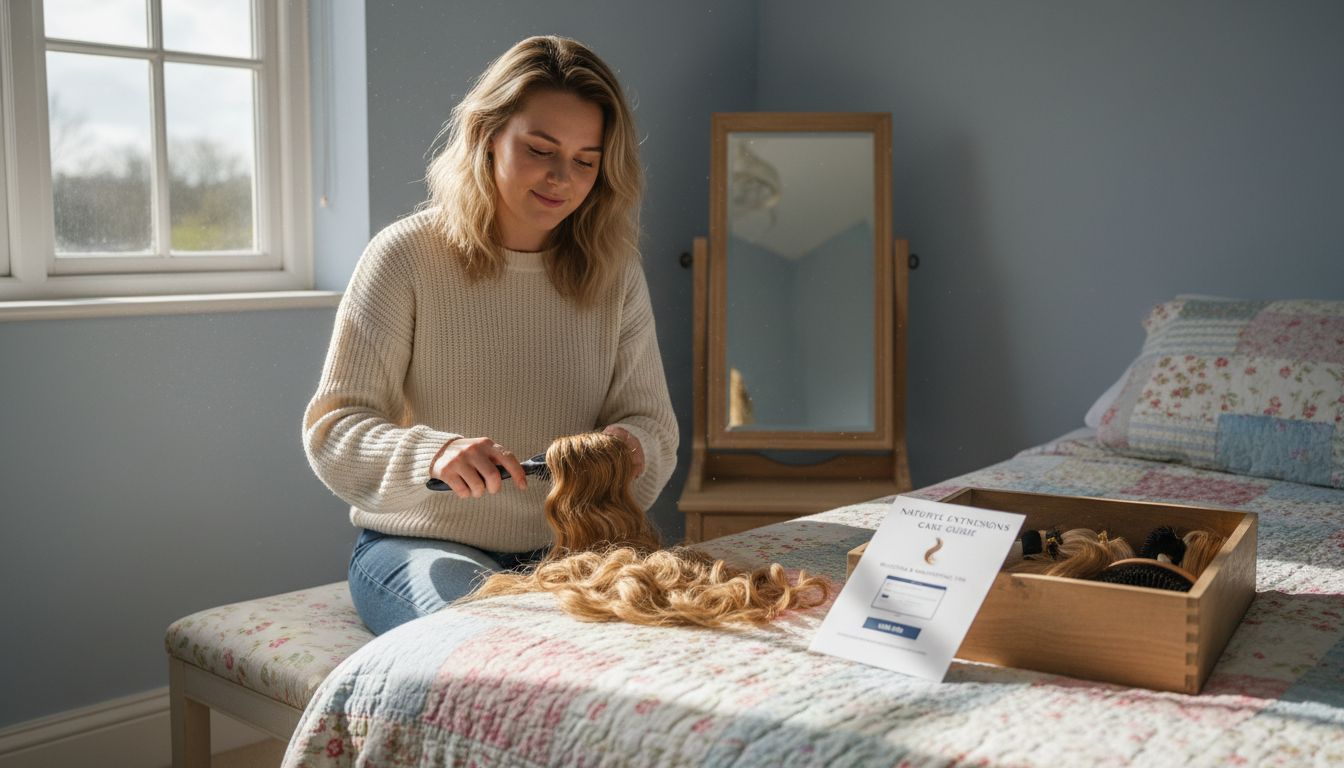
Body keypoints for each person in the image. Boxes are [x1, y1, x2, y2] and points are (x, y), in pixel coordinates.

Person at [302, 36, 678, 635]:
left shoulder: (614, 273)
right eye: (540, 149)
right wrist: (433, 453)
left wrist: (632, 449)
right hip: (421, 549)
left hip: (571, 551)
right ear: (486, 135)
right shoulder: (404, 256)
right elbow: (334, 430)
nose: (563, 177)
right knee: (488, 638)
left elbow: (652, 425)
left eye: (587, 160)